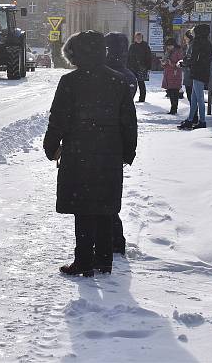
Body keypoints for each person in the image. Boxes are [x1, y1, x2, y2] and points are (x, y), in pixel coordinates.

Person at [44, 31, 138, 277]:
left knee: (83, 208)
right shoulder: (117, 80)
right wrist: (128, 151)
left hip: (79, 152)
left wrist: (51, 145)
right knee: (106, 206)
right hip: (110, 152)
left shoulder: (70, 82)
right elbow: (128, 120)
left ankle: (84, 260)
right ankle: (104, 260)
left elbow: (58, 118)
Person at [104, 32, 137, 256]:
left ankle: (110, 242)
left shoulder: (107, 74)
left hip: (103, 143)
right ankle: (115, 240)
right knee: (110, 195)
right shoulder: (129, 76)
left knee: (100, 197)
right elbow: (129, 120)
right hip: (115, 145)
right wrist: (128, 149)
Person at [178, 24, 212, 130]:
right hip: (203, 71)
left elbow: (193, 58)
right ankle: (190, 119)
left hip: (197, 72)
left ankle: (202, 121)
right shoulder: (207, 43)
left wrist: (184, 63)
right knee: (194, 98)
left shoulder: (198, 42)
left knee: (199, 98)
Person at [161, 38, 184, 115]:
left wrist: (172, 64)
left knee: (175, 92)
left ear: (173, 45)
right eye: (168, 46)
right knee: (170, 91)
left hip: (175, 74)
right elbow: (165, 61)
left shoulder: (178, 52)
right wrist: (163, 63)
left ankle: (174, 109)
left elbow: (180, 63)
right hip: (168, 73)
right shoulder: (168, 52)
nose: (168, 47)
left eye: (170, 46)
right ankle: (172, 108)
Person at [128, 32, 153, 102]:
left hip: (142, 67)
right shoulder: (132, 46)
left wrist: (148, 67)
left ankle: (142, 98)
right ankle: (130, 98)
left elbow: (149, 57)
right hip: (132, 67)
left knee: (141, 83)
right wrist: (127, 66)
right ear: (135, 38)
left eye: (140, 38)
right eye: (137, 38)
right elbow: (129, 57)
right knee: (132, 83)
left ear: (142, 38)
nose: (138, 39)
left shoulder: (145, 46)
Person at [181, 30, 198, 124]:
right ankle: (193, 116)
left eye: (185, 37)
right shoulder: (190, 46)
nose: (184, 39)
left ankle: (193, 117)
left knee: (192, 96)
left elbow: (190, 60)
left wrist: (184, 63)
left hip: (190, 74)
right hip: (189, 74)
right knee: (191, 96)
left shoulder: (192, 46)